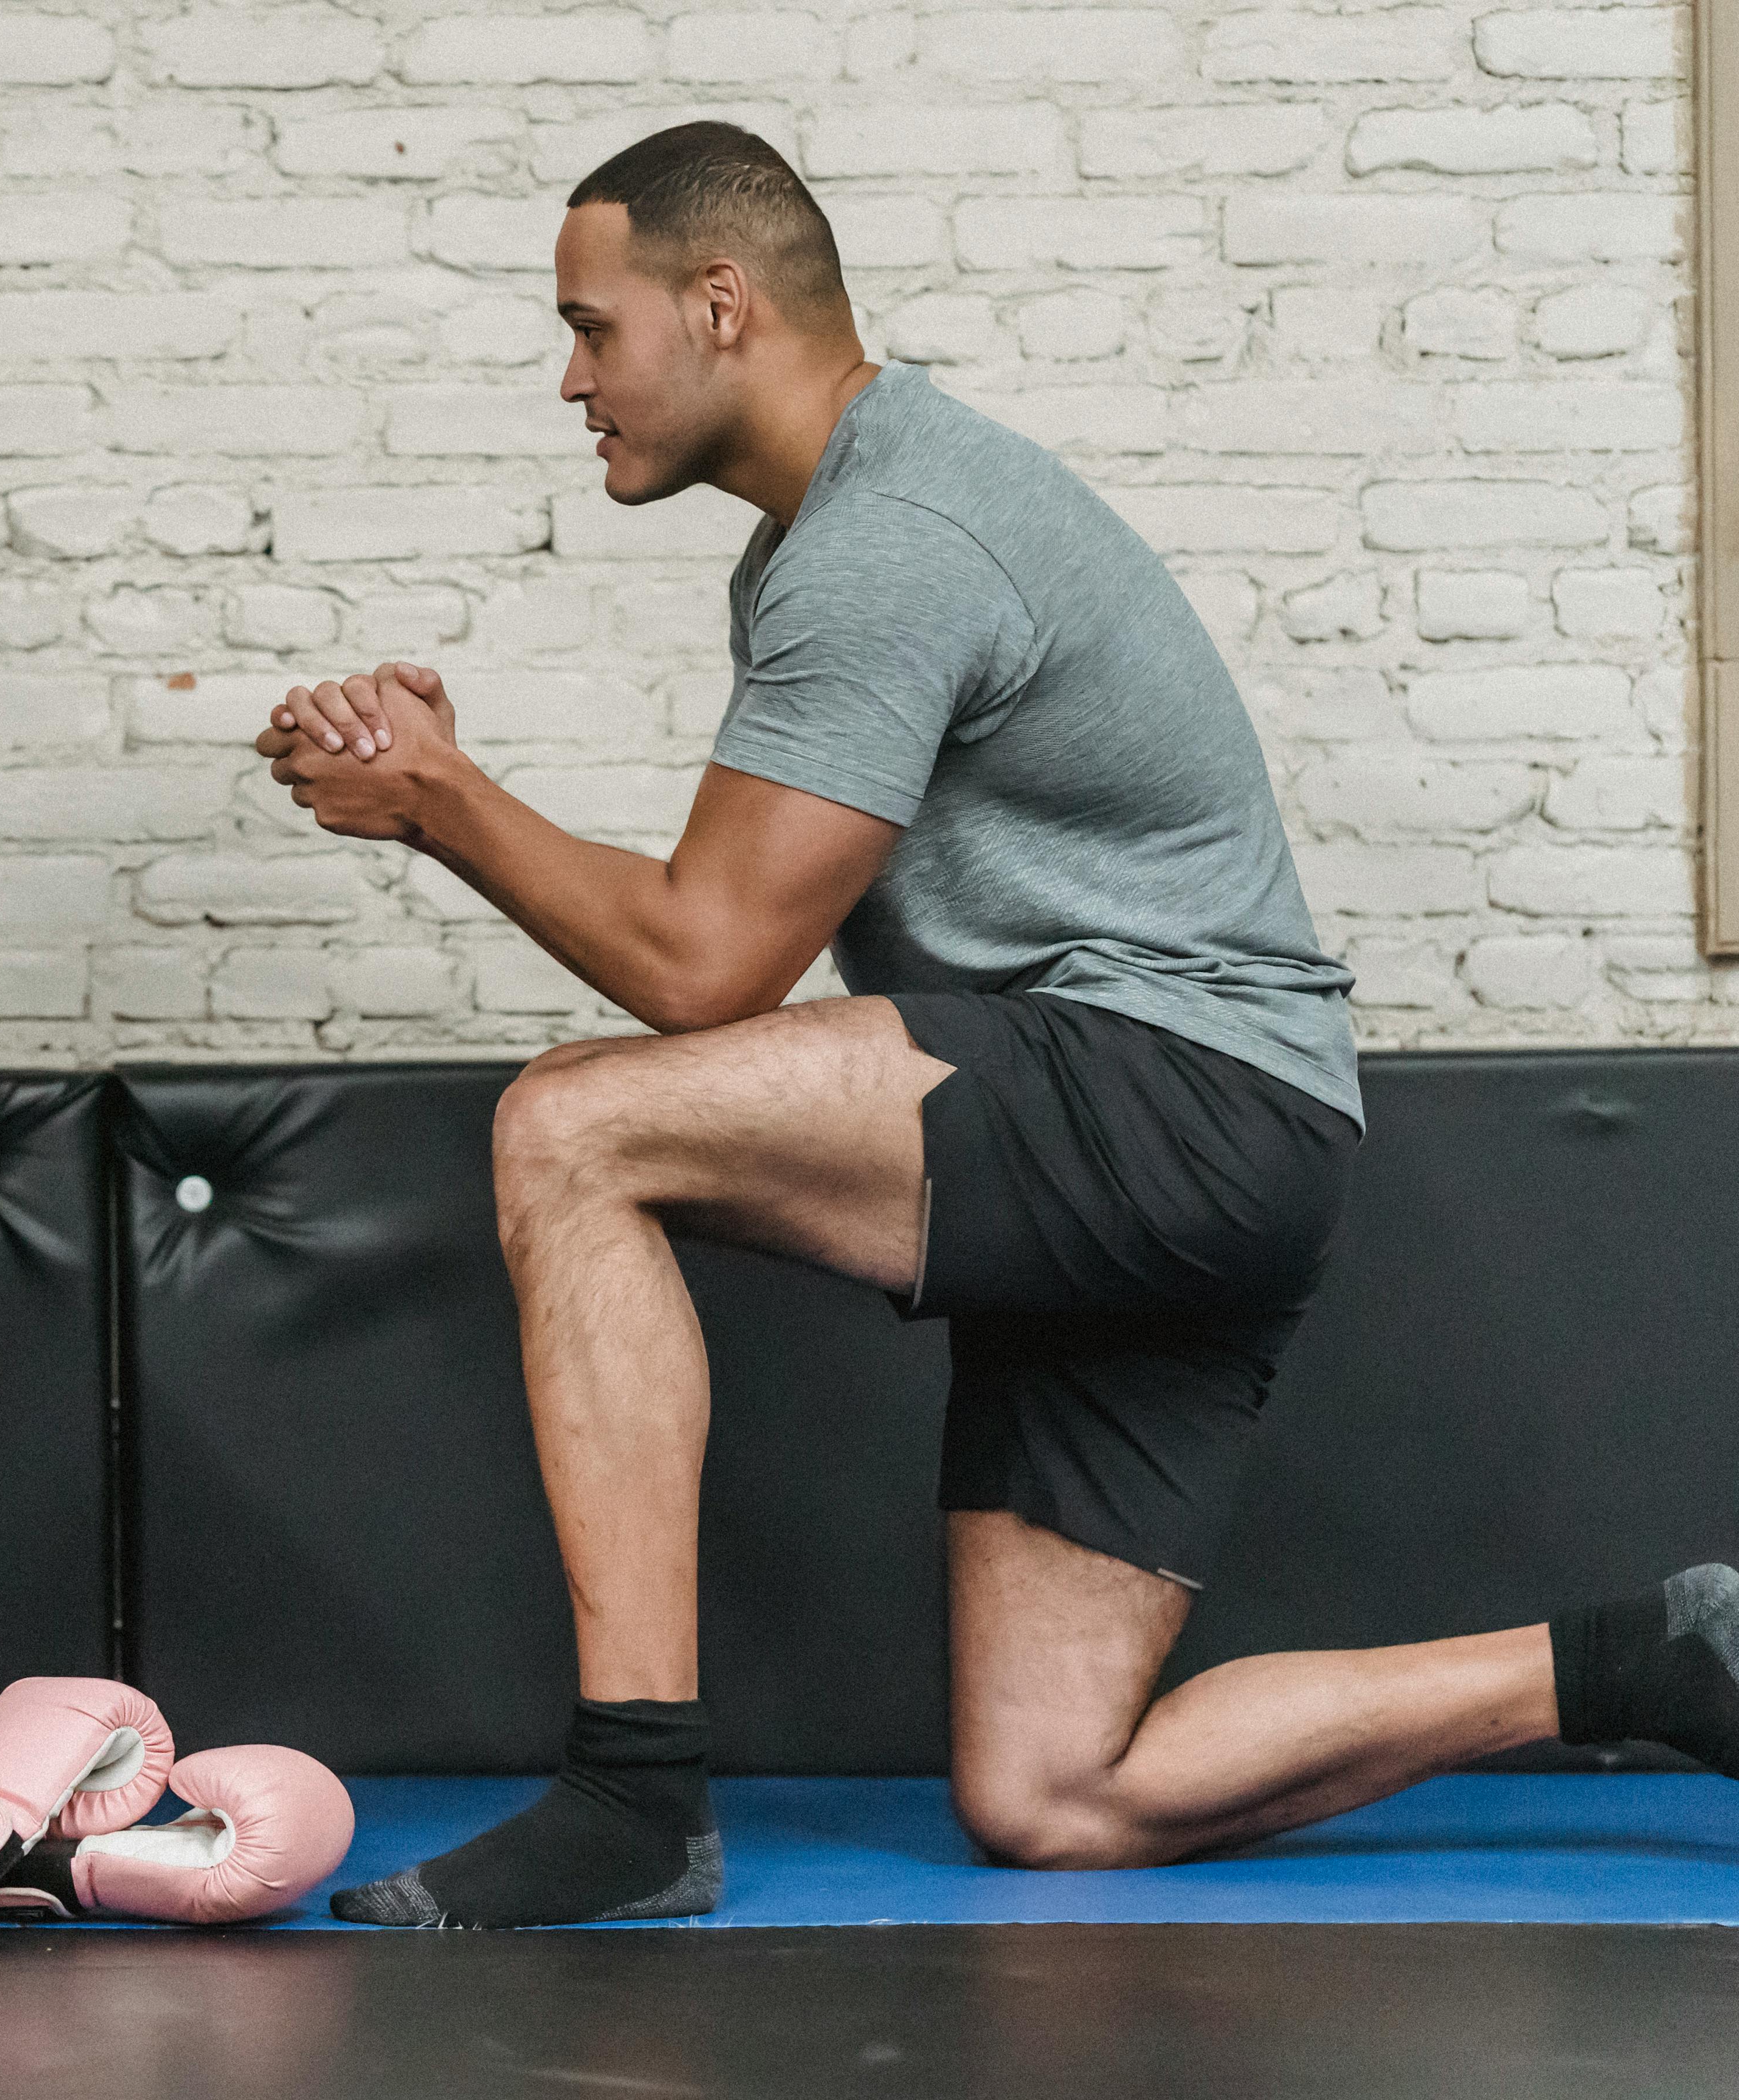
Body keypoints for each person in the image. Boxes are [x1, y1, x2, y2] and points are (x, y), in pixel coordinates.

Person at [258, 122, 1739, 1930]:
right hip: (1208, 1133)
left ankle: (631, 1789)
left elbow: (703, 966)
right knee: (1058, 1795)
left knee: (571, 1126)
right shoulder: (853, 529)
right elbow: (736, 939)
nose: (571, 381)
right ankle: (1647, 1664)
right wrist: (445, 795)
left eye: (590, 328)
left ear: (718, 305)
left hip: (1167, 1099)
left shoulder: (889, 541)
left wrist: (442, 800)